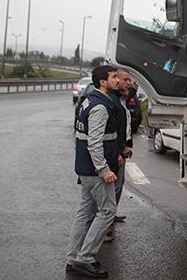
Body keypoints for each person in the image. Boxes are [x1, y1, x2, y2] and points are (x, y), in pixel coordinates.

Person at [65, 65, 120, 278]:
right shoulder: (100, 107)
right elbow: (94, 143)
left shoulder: (88, 100)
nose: (117, 80)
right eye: (114, 77)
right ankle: (85, 258)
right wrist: (104, 169)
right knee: (107, 211)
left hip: (85, 168)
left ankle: (73, 258)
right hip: (95, 170)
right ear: (103, 82)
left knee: (85, 212)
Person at [108, 69, 134, 240]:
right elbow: (112, 130)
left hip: (123, 150)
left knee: (119, 186)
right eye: (125, 79)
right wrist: (119, 150)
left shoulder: (123, 100)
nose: (128, 83)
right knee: (112, 189)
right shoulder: (114, 102)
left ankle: (111, 216)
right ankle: (105, 226)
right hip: (117, 152)